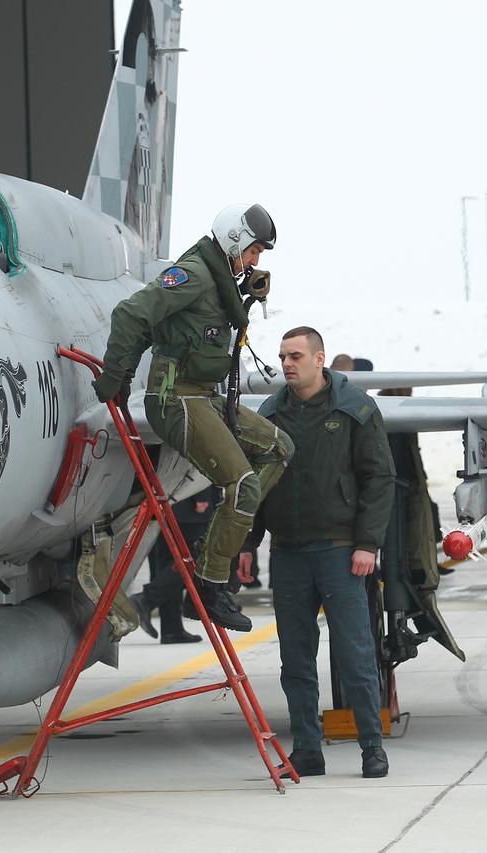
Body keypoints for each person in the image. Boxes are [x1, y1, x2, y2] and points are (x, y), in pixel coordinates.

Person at [95, 203, 292, 632]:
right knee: (242, 484)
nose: (256, 260)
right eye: (254, 250)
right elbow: (131, 315)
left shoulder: (219, 279)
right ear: (236, 241)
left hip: (204, 396)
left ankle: (216, 546)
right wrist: (117, 376)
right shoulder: (195, 275)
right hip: (176, 398)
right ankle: (208, 583)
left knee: (279, 448)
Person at [238, 326, 395, 779]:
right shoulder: (270, 413)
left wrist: (368, 544)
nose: (287, 364)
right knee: (296, 658)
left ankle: (371, 747)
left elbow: (379, 479)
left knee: (355, 654)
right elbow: (257, 483)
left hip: (340, 551)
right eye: (283, 356)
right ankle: (307, 748)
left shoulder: (355, 410)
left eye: (296, 356)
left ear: (319, 359)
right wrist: (249, 543)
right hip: (288, 552)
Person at [132, 487, 213, 643]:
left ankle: (171, 628)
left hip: (162, 502)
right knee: (191, 560)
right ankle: (146, 599)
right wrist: (201, 496)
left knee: (168, 565)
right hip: (186, 504)